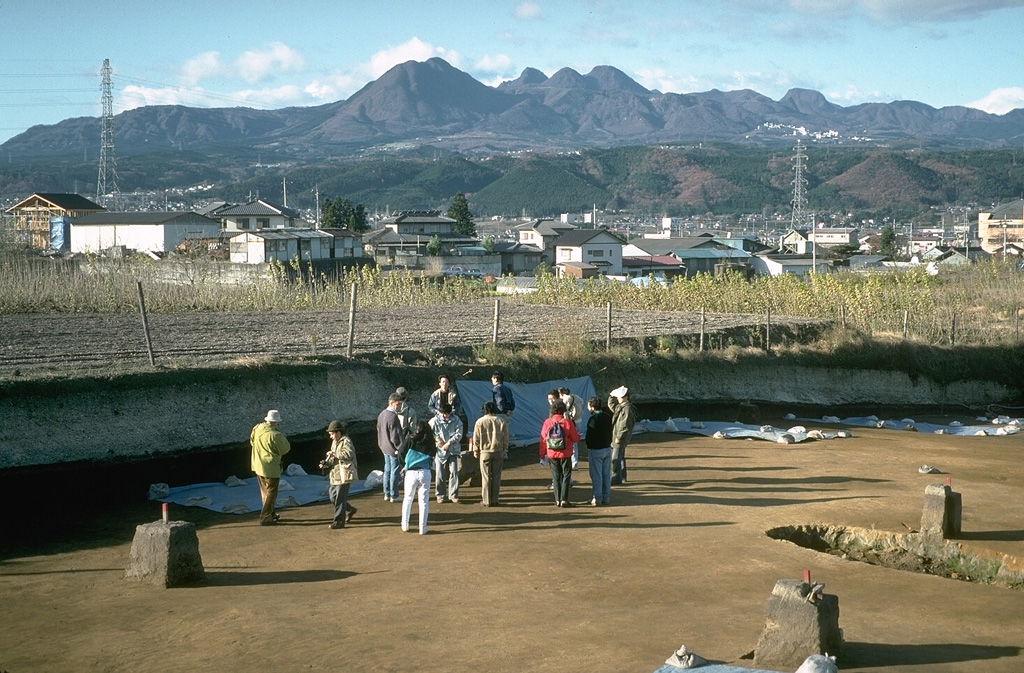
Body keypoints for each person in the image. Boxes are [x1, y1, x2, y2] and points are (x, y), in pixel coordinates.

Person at [250, 409, 291, 526]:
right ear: (276, 422)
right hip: (271, 468)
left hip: (257, 465)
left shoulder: (257, 428)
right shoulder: (275, 435)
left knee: (264, 492)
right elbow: (285, 449)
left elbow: (252, 442)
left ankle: (271, 513)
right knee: (272, 493)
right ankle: (265, 516)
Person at [540, 399, 580, 507]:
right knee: (566, 475)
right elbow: (575, 438)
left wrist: (542, 454)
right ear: (563, 410)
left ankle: (557, 499)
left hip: (552, 453)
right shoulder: (567, 422)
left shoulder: (547, 422)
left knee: (556, 476)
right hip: (565, 453)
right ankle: (564, 499)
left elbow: (543, 440)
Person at [399, 420, 436, 534]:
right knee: (424, 501)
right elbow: (433, 454)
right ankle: (423, 528)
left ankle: (405, 525)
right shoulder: (430, 441)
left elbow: (401, 452)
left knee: (408, 499)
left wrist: (404, 465)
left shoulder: (410, 439)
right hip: (425, 472)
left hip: (411, 472)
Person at [471, 401, 509, 507]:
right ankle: (495, 500)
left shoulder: (480, 422)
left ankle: (486, 501)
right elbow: (505, 437)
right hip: (498, 451)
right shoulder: (501, 421)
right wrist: (504, 448)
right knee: (496, 476)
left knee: (486, 477)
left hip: (484, 452)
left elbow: (476, 438)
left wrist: (475, 450)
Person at [325, 420, 358, 529]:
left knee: (339, 498)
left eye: (332, 434)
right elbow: (333, 458)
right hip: (335, 474)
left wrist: (334, 454)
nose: (330, 436)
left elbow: (348, 454)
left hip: (344, 475)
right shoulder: (335, 442)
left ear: (338, 432)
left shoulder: (346, 441)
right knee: (332, 497)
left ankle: (339, 521)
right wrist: (326, 463)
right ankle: (350, 509)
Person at [429, 400, 464, 503]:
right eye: (441, 413)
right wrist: (437, 441)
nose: (443, 416)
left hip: (453, 449)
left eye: (445, 414)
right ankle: (440, 495)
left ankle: (453, 494)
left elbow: (459, 434)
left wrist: (449, 443)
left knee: (454, 472)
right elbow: (429, 432)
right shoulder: (434, 421)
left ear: (450, 413)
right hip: (439, 450)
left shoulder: (456, 420)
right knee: (439, 472)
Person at [584, 397, 613, 506]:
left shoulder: (593, 419)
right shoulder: (607, 417)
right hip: (607, 448)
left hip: (596, 450)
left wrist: (588, 445)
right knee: (606, 474)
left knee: (596, 475)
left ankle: (597, 498)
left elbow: (589, 435)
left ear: (592, 407)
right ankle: (606, 497)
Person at [377, 392, 405, 502]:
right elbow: (396, 436)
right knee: (394, 471)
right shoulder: (393, 417)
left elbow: (379, 430)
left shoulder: (382, 414)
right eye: (398, 404)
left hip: (384, 446)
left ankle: (387, 493)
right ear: (391, 403)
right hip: (393, 449)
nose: (399, 407)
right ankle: (394, 495)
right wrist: (399, 448)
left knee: (387, 470)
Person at [608, 386, 636, 485]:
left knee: (615, 458)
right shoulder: (622, 407)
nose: (618, 398)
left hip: (620, 437)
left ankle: (616, 477)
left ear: (626, 397)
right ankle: (622, 477)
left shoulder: (626, 409)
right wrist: (611, 396)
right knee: (620, 457)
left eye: (620, 397)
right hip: (618, 436)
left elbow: (624, 425)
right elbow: (612, 406)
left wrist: (619, 437)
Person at [559, 386, 585, 470]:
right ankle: (575, 462)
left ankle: (573, 462)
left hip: (571, 421)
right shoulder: (575, 396)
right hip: (578, 420)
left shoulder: (565, 399)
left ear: (561, 393)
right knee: (575, 442)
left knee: (571, 442)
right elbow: (582, 401)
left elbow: (564, 411)